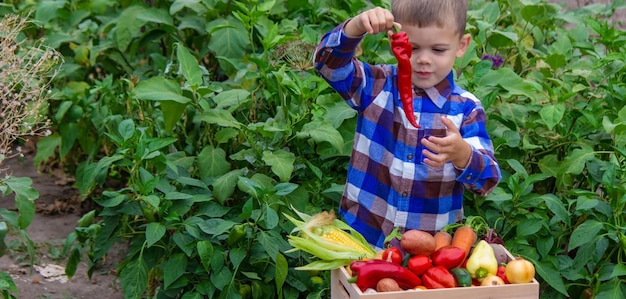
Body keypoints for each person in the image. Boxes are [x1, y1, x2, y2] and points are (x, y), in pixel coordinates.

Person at [313, 0, 502, 249]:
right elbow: (328, 66)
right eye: (412, 47)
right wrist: (356, 27)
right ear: (395, 41)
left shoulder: (465, 109)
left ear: (461, 45)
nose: (423, 60)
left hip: (428, 255)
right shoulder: (377, 86)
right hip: (363, 238)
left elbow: (488, 180)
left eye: (438, 50)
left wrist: (462, 154)